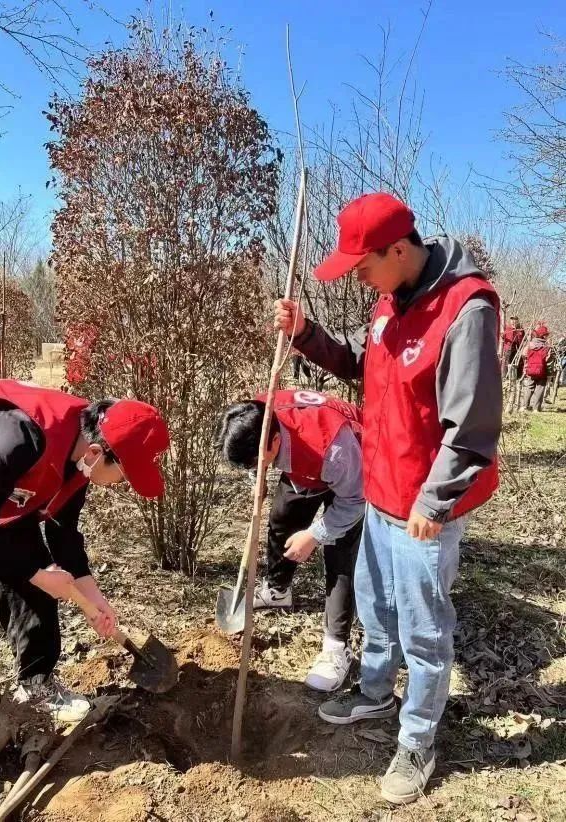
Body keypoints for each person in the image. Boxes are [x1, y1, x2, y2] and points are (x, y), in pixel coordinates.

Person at [274, 192, 502, 804]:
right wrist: (305, 335)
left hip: (424, 508)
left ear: (397, 250)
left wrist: (435, 501)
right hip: (379, 491)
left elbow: (472, 426)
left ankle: (418, 738)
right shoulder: (388, 301)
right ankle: (375, 693)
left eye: (362, 265)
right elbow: (357, 359)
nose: (357, 277)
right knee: (376, 609)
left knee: (424, 631)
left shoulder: (466, 309)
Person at [0, 379, 170, 722]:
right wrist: (36, 574)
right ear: (96, 453)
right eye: (124, 476)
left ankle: (35, 686)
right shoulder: (20, 434)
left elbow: (62, 530)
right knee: (35, 575)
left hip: (1, 498)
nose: (122, 485)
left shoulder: (83, 450)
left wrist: (91, 595)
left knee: (37, 589)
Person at [216, 389, 365, 692]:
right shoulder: (258, 412)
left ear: (273, 442)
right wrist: (257, 477)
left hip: (352, 472)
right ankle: (277, 590)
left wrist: (315, 535)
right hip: (303, 460)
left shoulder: (334, 448)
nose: (251, 468)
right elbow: (258, 455)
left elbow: (355, 500)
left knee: (339, 554)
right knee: (282, 518)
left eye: (253, 463)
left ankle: (337, 647)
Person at [520, 324, 551, 412]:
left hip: (530, 370)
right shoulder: (546, 347)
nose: (547, 336)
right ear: (543, 336)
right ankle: (536, 408)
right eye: (546, 335)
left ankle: (524, 406)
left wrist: (527, 363)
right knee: (540, 388)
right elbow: (548, 361)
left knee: (529, 387)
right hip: (542, 371)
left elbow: (523, 354)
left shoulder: (529, 345)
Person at [502, 315, 524, 380]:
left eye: (515, 320)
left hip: (516, 348)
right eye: (512, 319)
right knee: (507, 362)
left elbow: (522, 339)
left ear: (517, 321)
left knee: (516, 363)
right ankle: (505, 377)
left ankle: (516, 376)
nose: (513, 321)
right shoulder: (507, 328)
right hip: (508, 348)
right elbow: (503, 337)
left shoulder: (520, 329)